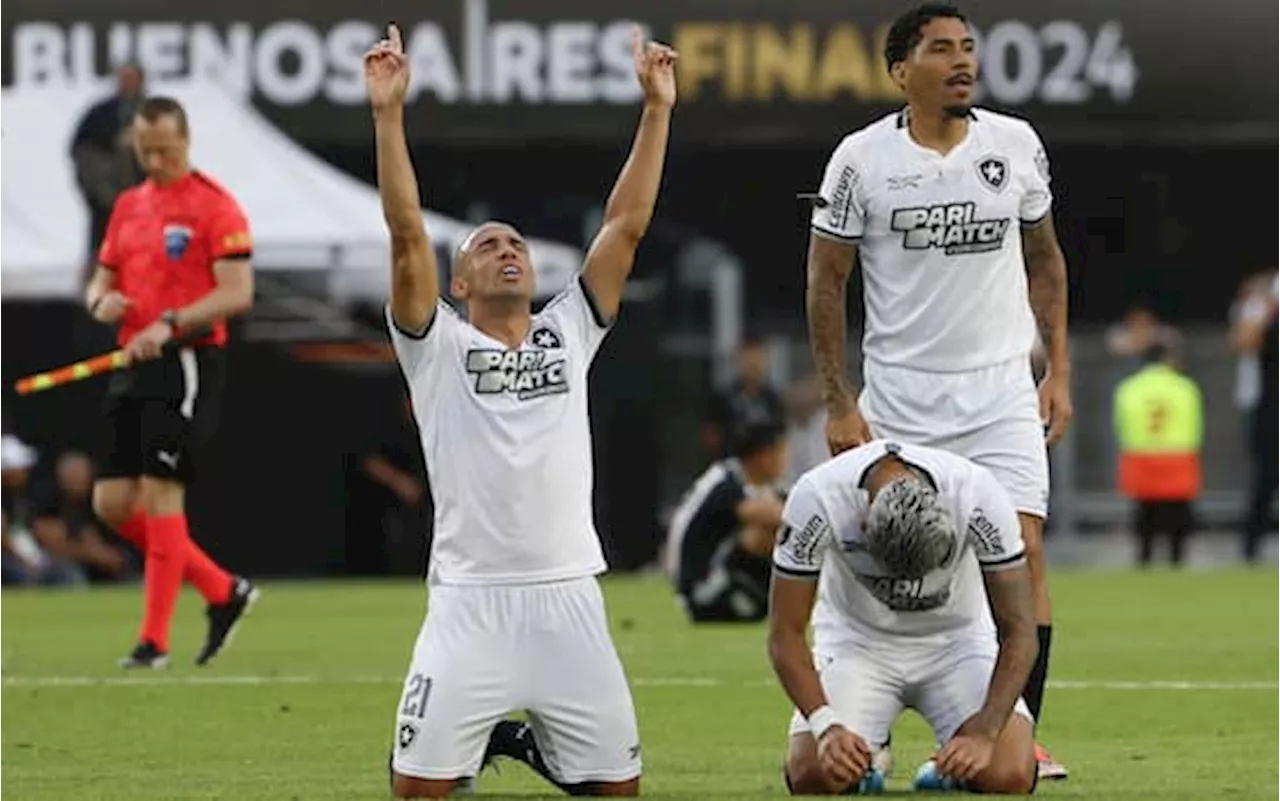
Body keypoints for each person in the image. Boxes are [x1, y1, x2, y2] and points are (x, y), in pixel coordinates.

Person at [364, 22, 676, 799]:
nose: (508, 250)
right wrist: (388, 115)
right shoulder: (434, 345)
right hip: (470, 601)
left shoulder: (568, 330)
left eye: (518, 245)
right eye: (487, 246)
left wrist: (657, 110)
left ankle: (538, 748)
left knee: (618, 789)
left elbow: (626, 226)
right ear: (460, 283)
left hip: (569, 592)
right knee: (417, 792)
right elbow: (406, 236)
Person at [803, 3, 1071, 780]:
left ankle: (1019, 733)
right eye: (941, 49)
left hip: (999, 394)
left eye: (968, 48)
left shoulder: (1014, 145)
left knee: (1019, 555)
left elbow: (1045, 260)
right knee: (888, 562)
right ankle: (865, 723)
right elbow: (827, 278)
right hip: (902, 399)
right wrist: (837, 397)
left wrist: (1059, 368)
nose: (962, 61)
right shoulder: (859, 160)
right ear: (900, 72)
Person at [83, 96, 259, 669]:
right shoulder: (128, 205)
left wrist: (171, 322)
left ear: (185, 141)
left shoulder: (216, 208)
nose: (154, 159)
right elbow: (100, 280)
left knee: (161, 493)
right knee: (110, 503)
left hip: (186, 361)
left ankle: (152, 643)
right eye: (144, 149)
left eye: (164, 149)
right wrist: (100, 302)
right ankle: (220, 589)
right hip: (130, 360)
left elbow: (236, 293)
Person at [769, 439, 1038, 795]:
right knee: (813, 775)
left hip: (958, 643)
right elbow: (784, 634)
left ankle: (945, 769)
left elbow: (1020, 630)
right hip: (857, 643)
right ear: (864, 525)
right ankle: (868, 760)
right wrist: (826, 727)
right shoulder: (817, 498)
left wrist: (985, 732)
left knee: (1008, 775)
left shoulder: (978, 496)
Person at [666, 418, 789, 623]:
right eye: (781, 451)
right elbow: (777, 517)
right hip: (701, 589)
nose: (786, 460)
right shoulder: (726, 483)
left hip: (711, 579)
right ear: (763, 455)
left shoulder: (736, 478)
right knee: (767, 534)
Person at [1113, 343, 1203, 567]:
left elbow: (1120, 423)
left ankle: (1144, 557)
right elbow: (1196, 423)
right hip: (1178, 454)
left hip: (1140, 454)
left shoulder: (1129, 387)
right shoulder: (1185, 387)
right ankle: (1177, 558)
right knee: (1178, 510)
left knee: (1145, 510)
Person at [70, 63, 148, 275]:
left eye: (132, 78)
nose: (128, 84)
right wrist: (102, 187)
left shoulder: (154, 113)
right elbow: (82, 151)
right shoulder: (100, 115)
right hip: (107, 202)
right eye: (124, 78)